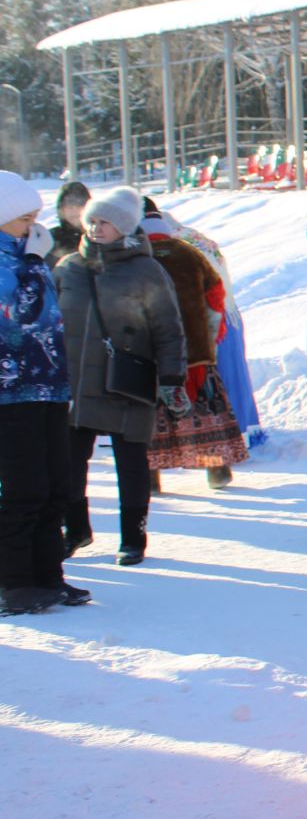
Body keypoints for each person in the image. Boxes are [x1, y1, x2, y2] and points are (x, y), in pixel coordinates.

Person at [55, 186, 188, 567]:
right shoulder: (68, 269)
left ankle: (134, 537)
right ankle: (75, 528)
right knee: (69, 461)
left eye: (106, 222)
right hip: (76, 381)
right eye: (92, 220)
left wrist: (172, 379)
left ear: (126, 227)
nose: (96, 228)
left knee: (130, 463)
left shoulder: (148, 271)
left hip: (126, 382)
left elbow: (169, 329)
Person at [0, 172, 84, 613]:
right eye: (22, 218)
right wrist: (34, 262)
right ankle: (15, 583)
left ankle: (50, 576)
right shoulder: (12, 261)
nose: (33, 226)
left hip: (48, 385)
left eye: (34, 217)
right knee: (24, 489)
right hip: (11, 391)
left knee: (57, 485)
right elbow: (23, 312)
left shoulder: (26, 255)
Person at [141, 200, 249, 487]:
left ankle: (151, 477)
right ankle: (216, 470)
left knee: (151, 418)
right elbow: (216, 297)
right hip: (196, 352)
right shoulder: (190, 253)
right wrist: (209, 338)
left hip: (150, 354)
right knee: (204, 413)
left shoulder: (134, 259)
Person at [48, 181, 88, 267]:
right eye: (70, 207)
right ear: (61, 209)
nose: (75, 211)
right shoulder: (51, 238)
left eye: (79, 206)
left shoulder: (98, 235)